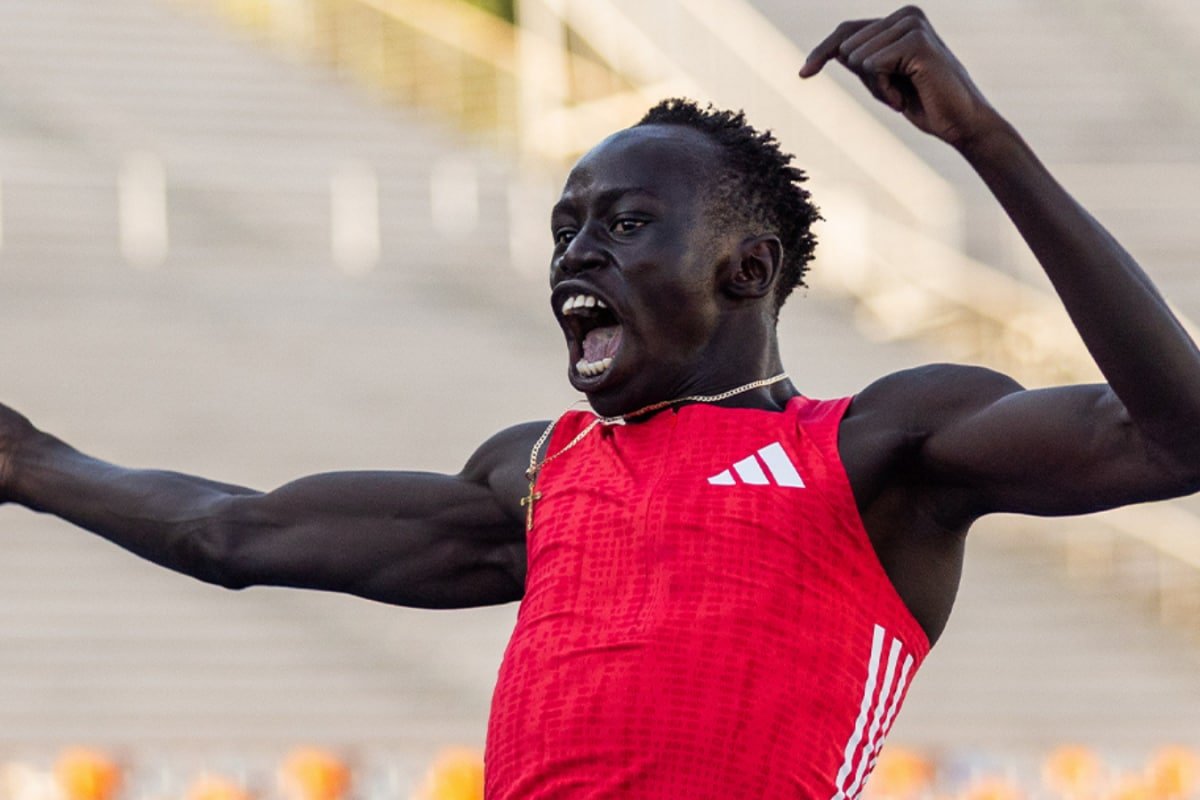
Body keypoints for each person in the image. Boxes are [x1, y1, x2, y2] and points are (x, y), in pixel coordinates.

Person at [1, 6, 1198, 798]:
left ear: (747, 270)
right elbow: (234, 530)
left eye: (625, 224)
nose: (577, 254)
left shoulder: (883, 445)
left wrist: (986, 139)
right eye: (566, 225)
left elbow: (1173, 434)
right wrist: (27, 460)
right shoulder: (534, 472)